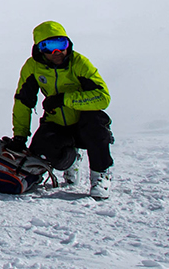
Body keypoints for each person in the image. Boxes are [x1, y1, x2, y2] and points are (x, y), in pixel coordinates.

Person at [7, 21, 113, 199]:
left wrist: (65, 99)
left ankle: (100, 175)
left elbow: (103, 97)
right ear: (39, 49)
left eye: (61, 44)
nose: (57, 52)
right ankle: (71, 161)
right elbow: (23, 102)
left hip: (84, 123)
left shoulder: (79, 63)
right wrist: (20, 136)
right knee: (41, 149)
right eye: (49, 46)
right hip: (56, 123)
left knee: (96, 127)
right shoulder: (33, 67)